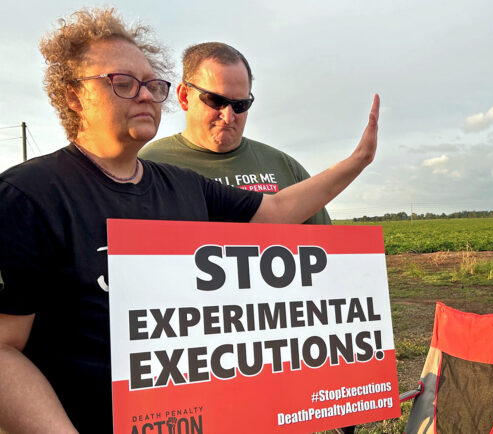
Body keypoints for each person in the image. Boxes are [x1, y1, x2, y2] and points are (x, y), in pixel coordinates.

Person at [0, 8, 378, 433]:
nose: (145, 95)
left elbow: (274, 212)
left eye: (151, 85)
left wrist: (358, 162)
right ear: (73, 96)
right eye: (122, 83)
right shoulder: (29, 195)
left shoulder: (183, 185)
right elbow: (4, 349)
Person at [140, 42, 332, 225]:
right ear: (184, 96)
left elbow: (329, 248)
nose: (228, 116)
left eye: (241, 105)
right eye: (215, 100)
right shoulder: (147, 165)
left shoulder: (285, 168)